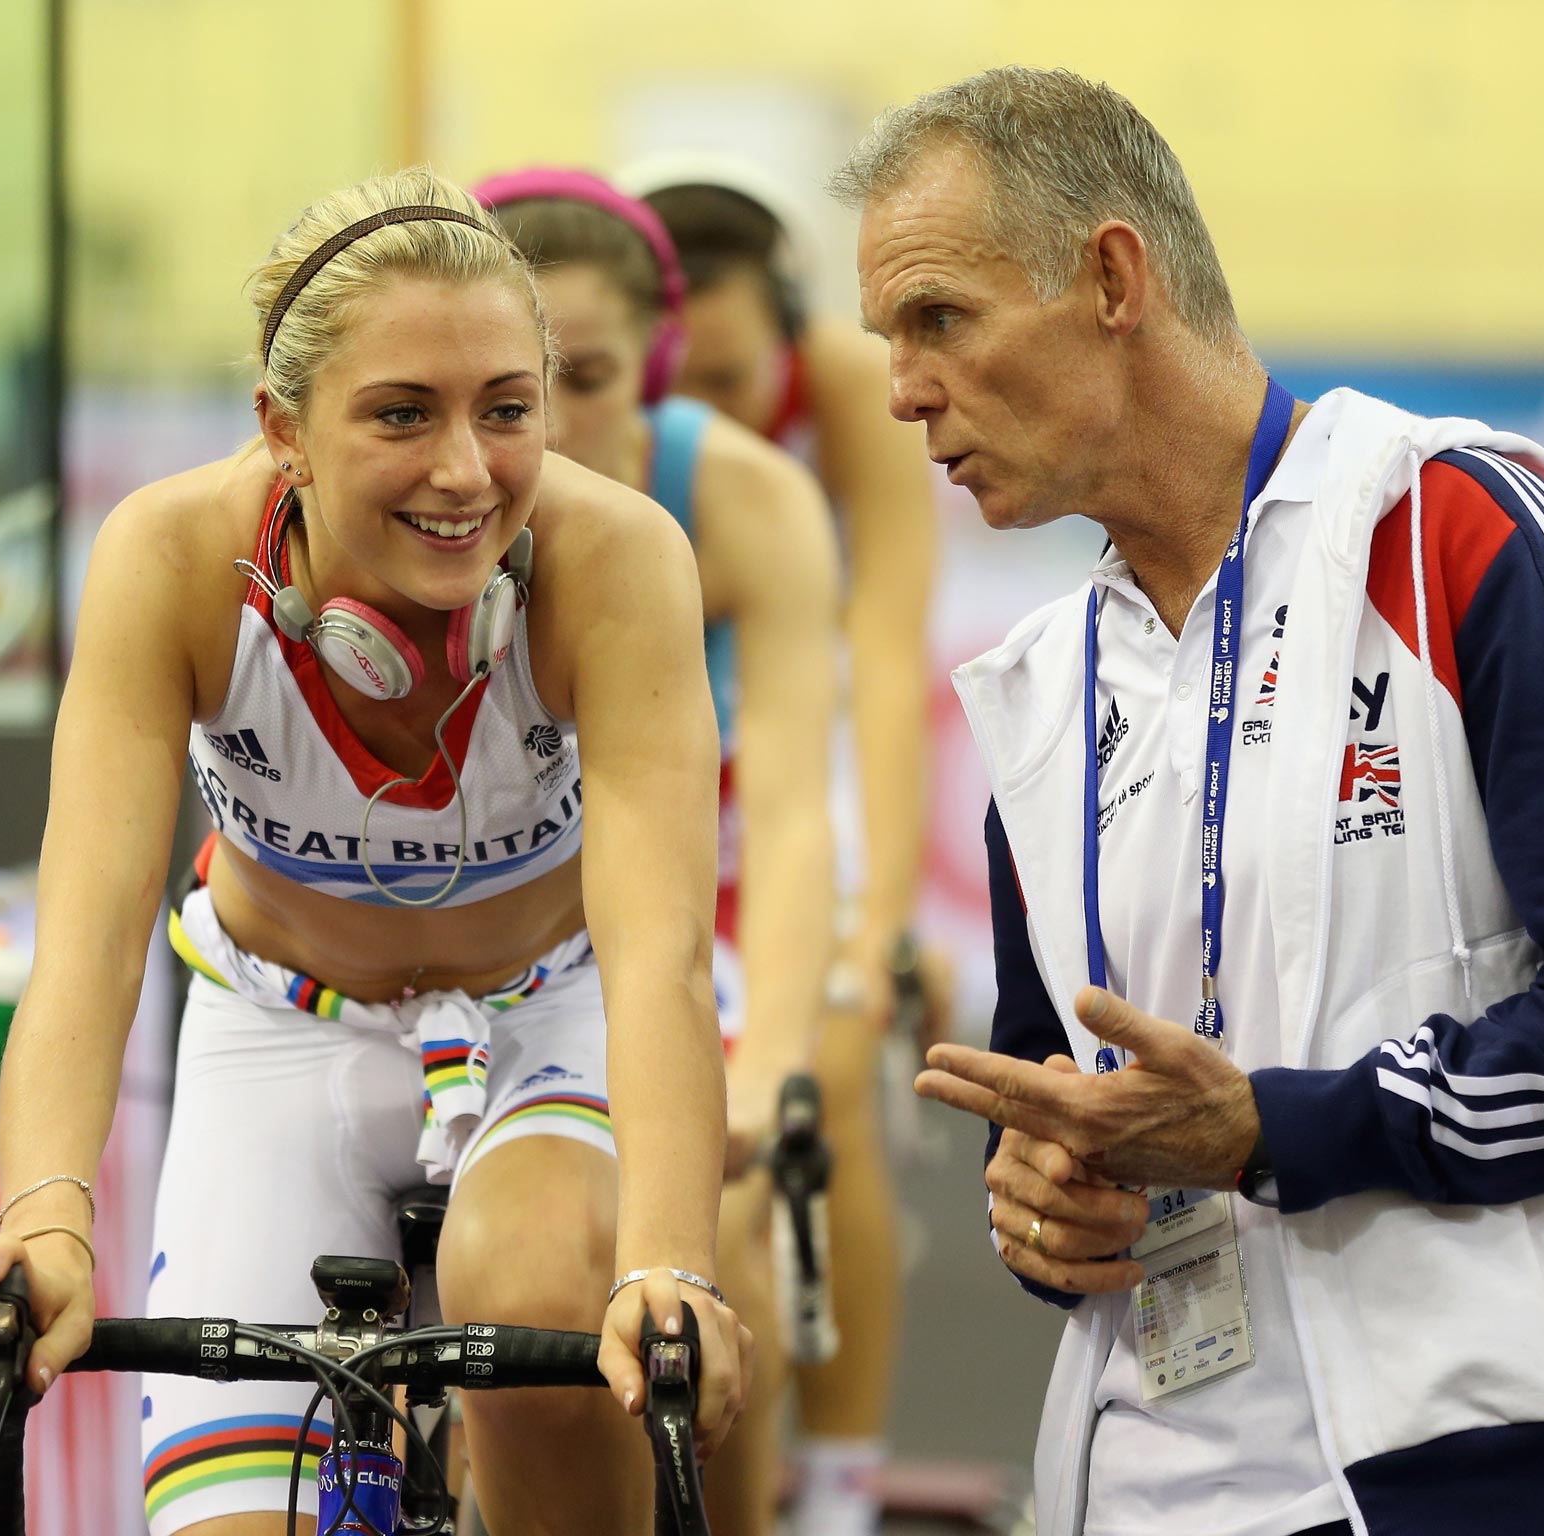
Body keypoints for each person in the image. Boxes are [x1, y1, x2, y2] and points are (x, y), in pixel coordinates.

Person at [833, 65, 1544, 1536]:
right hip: (1139, 1485)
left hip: (1506, 1467)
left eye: (939, 317)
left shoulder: (1462, 535)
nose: (900, 389)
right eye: (888, 339)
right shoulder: (1035, 690)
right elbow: (1065, 1113)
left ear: (1113, 277)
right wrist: (1046, 1210)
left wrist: (1280, 1130)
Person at [0, 168, 751, 1536]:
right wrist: (44, 1224)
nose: (465, 471)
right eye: (400, 416)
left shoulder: (618, 560)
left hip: (551, 1018)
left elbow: (664, 961)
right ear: (283, 430)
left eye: (507, 410)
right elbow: (85, 946)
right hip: (279, 1029)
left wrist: (672, 1268)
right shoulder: (170, 558)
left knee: (540, 1273)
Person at [476, 166, 839, 1536]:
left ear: (669, 370)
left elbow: (801, 815)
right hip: (490, 940)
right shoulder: (445, 502)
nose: (554, 428)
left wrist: (784, 1057)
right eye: (525, 383)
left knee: (729, 1207)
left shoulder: (740, 502)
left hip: (703, 909)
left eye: (601, 378)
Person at [630, 155, 939, 1536]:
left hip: (775, 737)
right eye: (670, 390)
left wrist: (875, 934)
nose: (699, 422)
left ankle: (841, 1482)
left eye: (734, 384)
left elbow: (882, 655)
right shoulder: (586, 416)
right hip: (637, 746)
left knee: (827, 1092)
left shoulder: (852, 396)